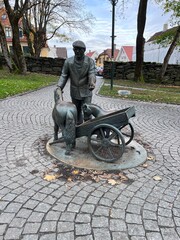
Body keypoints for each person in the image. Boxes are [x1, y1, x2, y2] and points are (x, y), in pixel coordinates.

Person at [57, 40, 96, 125]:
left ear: (84, 50)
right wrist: (59, 87)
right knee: (76, 111)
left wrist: (92, 82)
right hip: (74, 90)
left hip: (86, 90)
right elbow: (64, 75)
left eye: (79, 49)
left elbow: (91, 73)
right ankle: (78, 128)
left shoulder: (90, 61)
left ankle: (88, 128)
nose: (77, 51)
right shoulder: (68, 62)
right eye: (75, 49)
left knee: (87, 110)